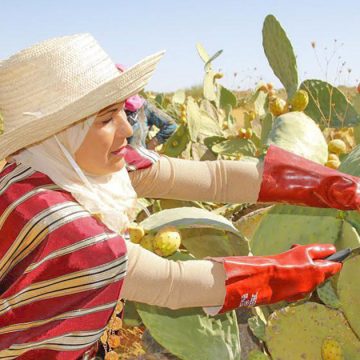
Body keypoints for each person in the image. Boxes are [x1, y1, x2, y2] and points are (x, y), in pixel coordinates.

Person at [0, 33, 357, 359]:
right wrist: (284, 274)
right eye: (107, 119)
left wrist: (332, 185)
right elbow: (174, 285)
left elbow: (212, 178)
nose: (127, 128)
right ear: (63, 135)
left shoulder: (51, 166)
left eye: (123, 111)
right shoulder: (62, 227)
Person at [116, 64, 177, 150]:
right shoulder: (104, 110)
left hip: (137, 162)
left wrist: (149, 146)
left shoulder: (144, 107)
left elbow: (170, 125)